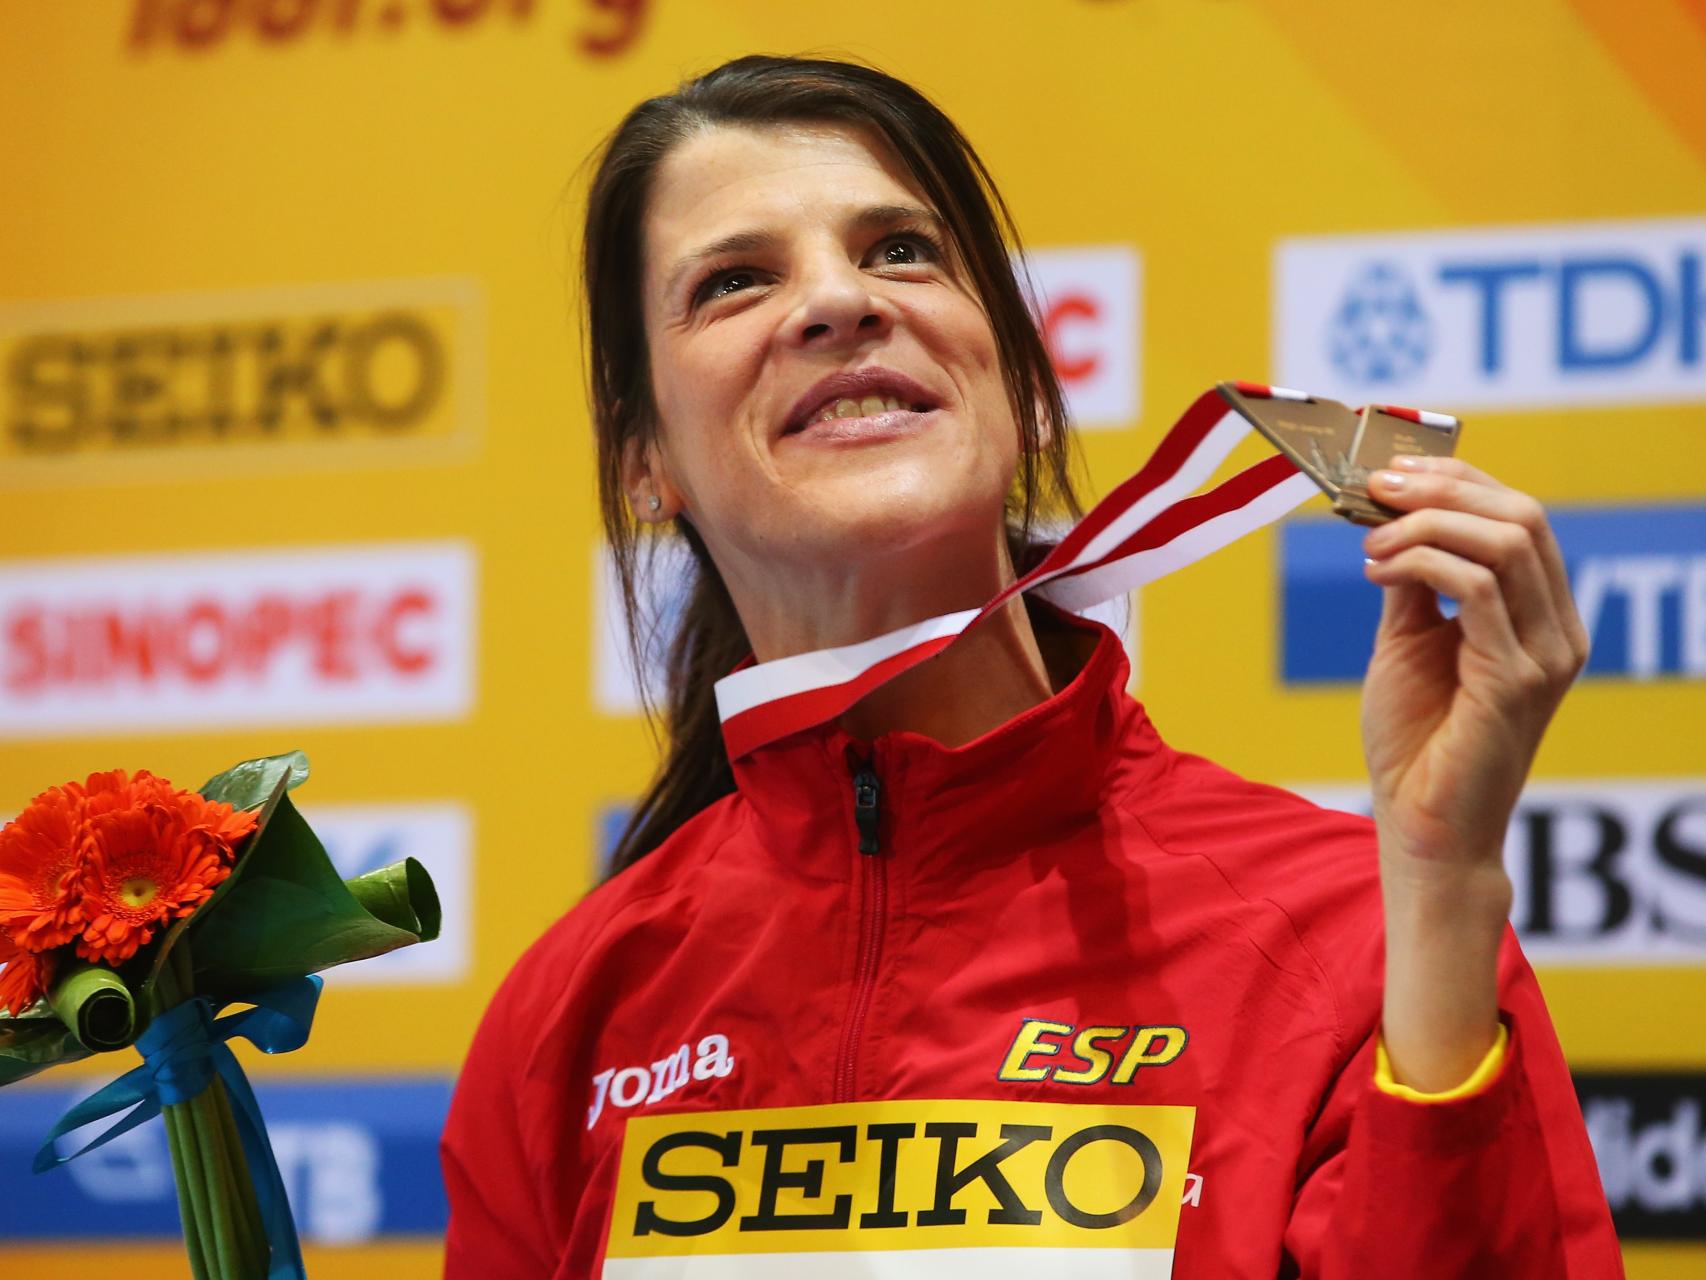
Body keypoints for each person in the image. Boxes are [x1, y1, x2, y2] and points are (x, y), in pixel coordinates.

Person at [441, 55, 1622, 1278]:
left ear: (1026, 389)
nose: (837, 299)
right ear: (643, 463)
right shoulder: (567, 1018)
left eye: (900, 250)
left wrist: (1441, 888)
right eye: (734, 280)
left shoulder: (1357, 932)